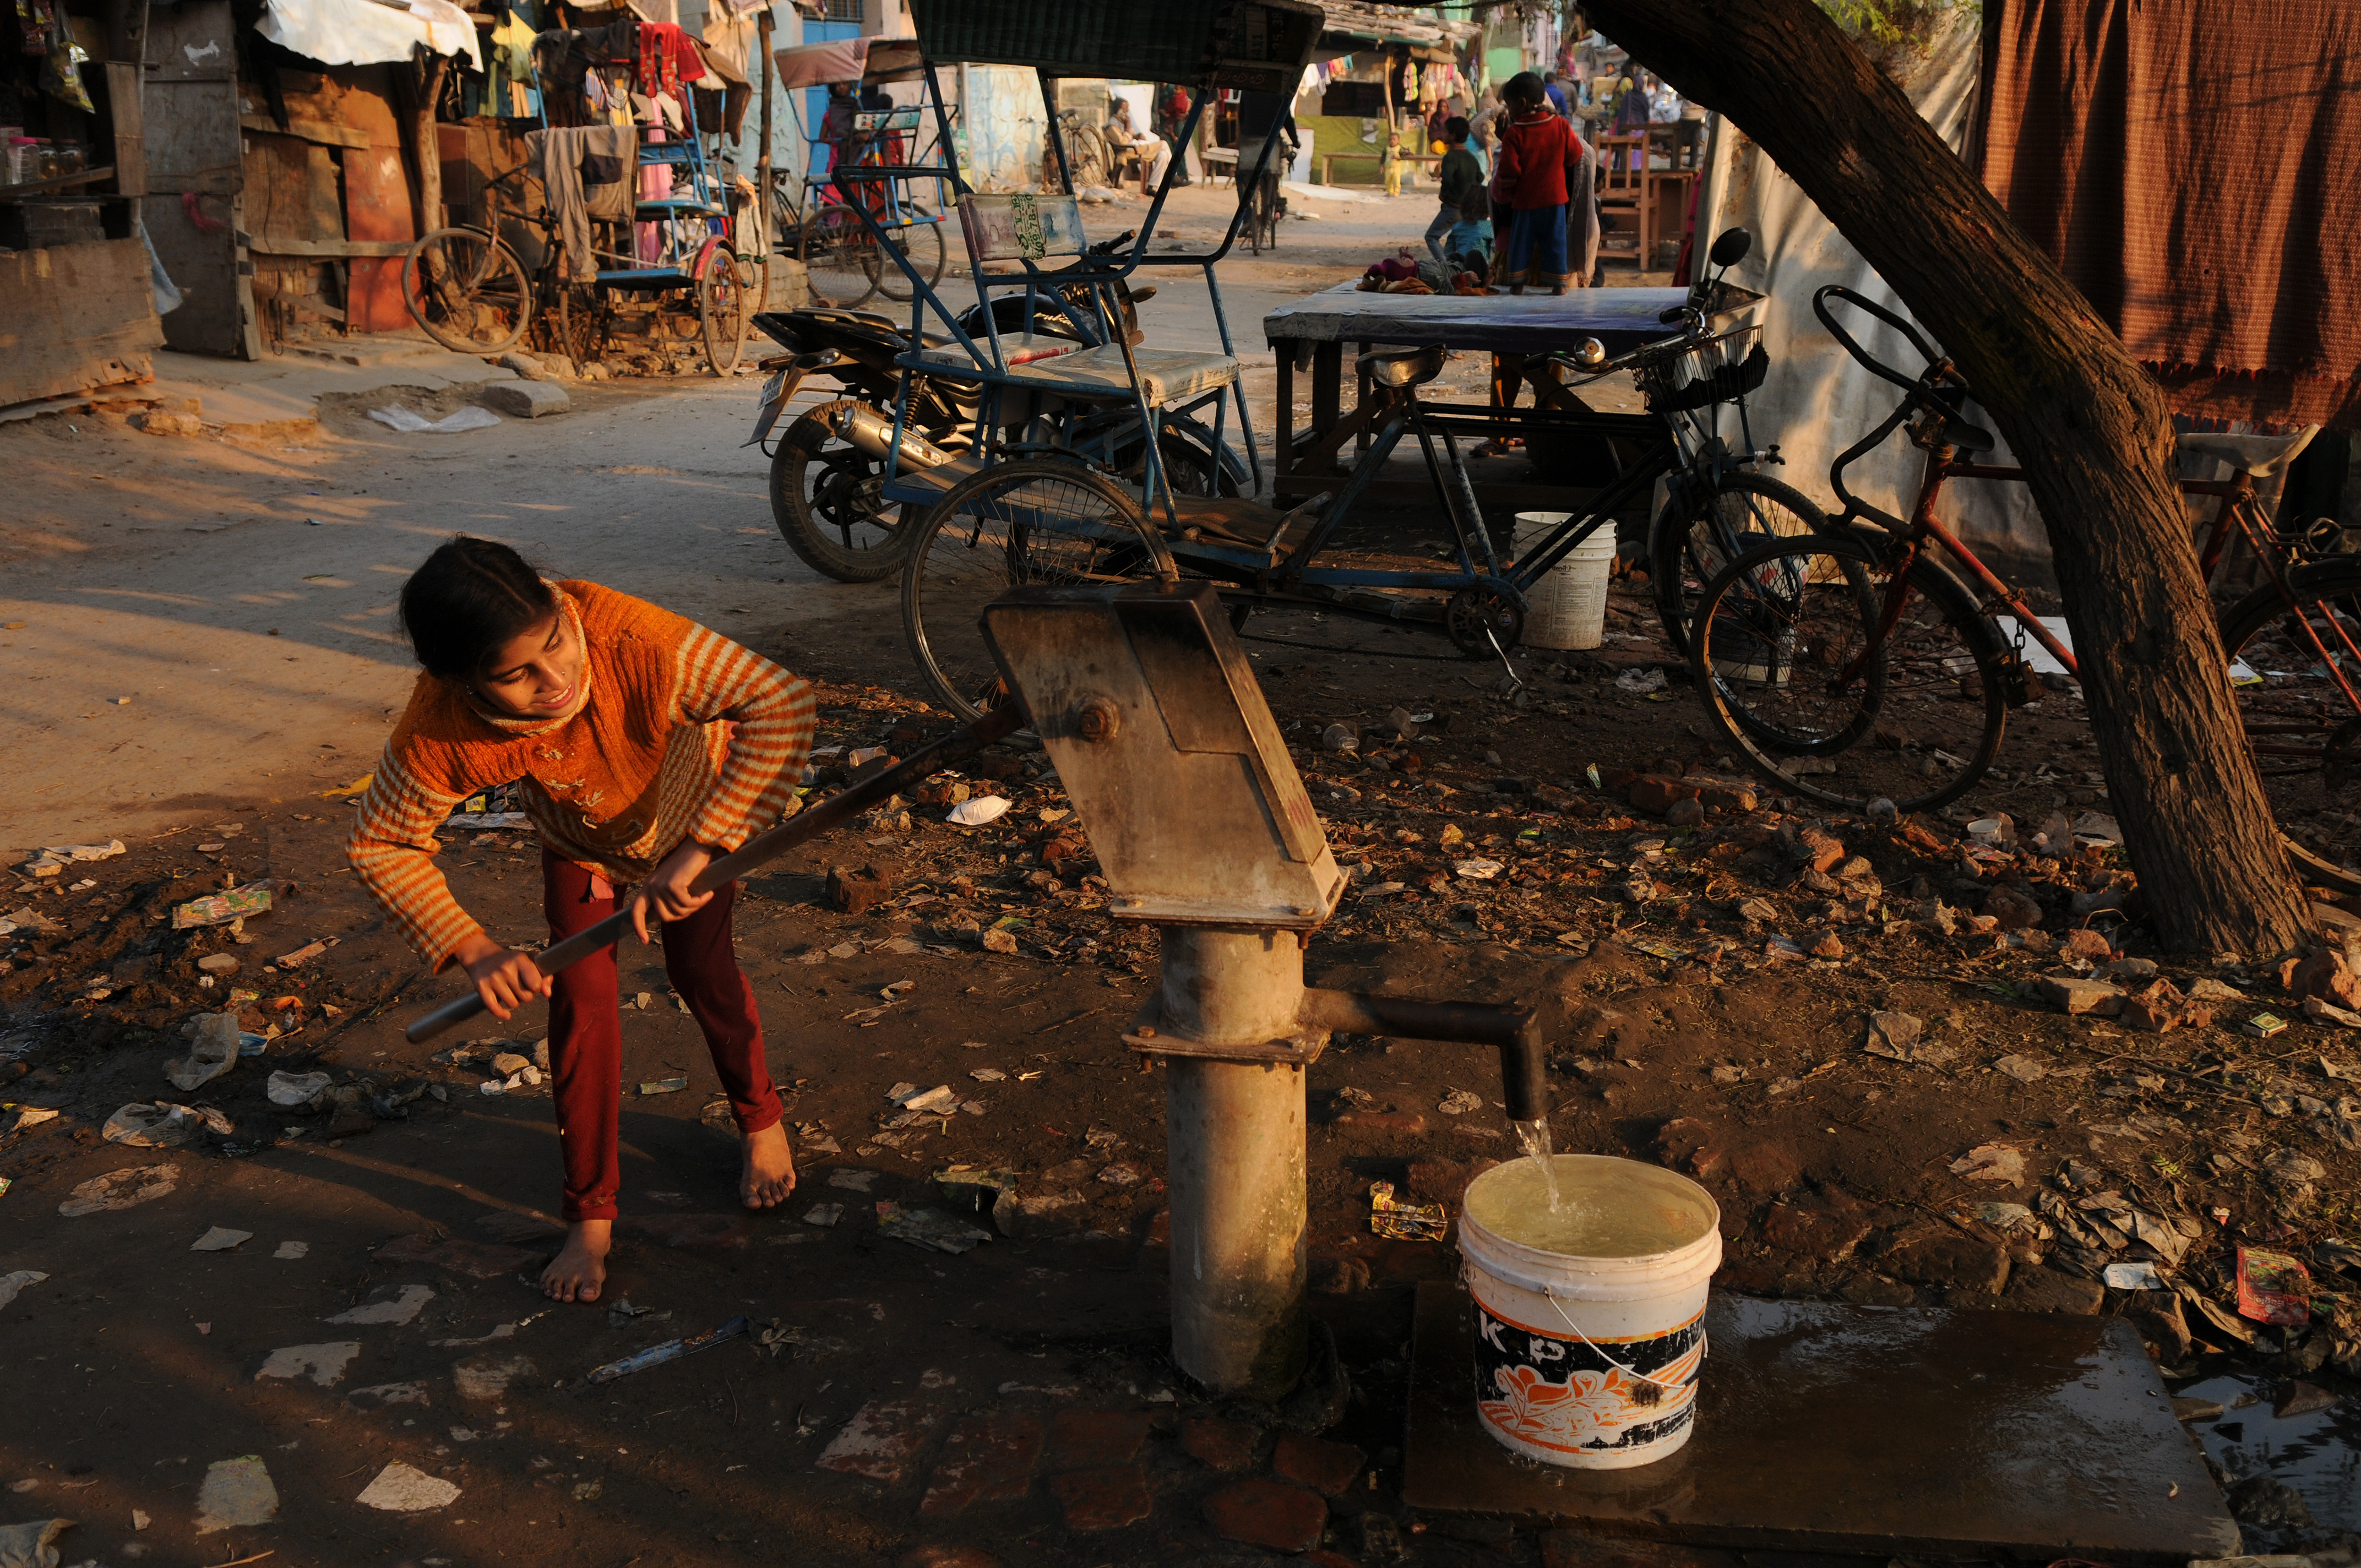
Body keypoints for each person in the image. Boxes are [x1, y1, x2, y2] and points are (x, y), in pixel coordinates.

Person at [347, 538, 814, 1304]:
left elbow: (781, 700)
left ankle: (760, 1118)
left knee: (702, 973)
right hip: (581, 840)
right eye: (517, 675)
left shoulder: (633, 640)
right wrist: (475, 949)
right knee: (583, 1006)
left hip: (695, 818)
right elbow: (380, 842)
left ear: (561, 608)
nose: (556, 679)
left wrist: (699, 851)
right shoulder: (441, 729)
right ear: (462, 682)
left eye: (557, 643)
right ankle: (590, 1217)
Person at [1492, 70, 1585, 295]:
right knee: (1555, 241)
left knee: (1521, 242)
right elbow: (1575, 154)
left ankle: (1517, 284)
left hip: (1525, 201)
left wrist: (1505, 192)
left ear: (1522, 103)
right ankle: (1559, 285)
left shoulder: (1515, 133)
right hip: (1556, 198)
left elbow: (1509, 169)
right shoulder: (1561, 125)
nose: (1509, 112)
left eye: (1510, 106)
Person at [1424, 116, 1483, 273]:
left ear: (1452, 135)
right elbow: (1480, 177)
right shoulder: (1471, 158)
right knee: (1456, 239)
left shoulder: (1451, 157)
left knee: (1432, 237)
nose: (1442, 135)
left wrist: (1444, 194)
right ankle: (1458, 266)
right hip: (1469, 209)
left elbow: (1448, 180)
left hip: (1453, 207)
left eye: (1445, 132)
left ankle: (1446, 267)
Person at [1107, 94, 1172, 195]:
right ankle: (1172, 173)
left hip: (1134, 148)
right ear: (1118, 109)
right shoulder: (1113, 124)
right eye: (1124, 108)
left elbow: (1131, 134)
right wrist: (1128, 128)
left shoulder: (1122, 121)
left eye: (1128, 108)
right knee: (1163, 144)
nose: (1127, 111)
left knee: (1163, 155)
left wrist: (1137, 136)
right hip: (1127, 151)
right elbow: (1122, 142)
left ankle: (1152, 186)